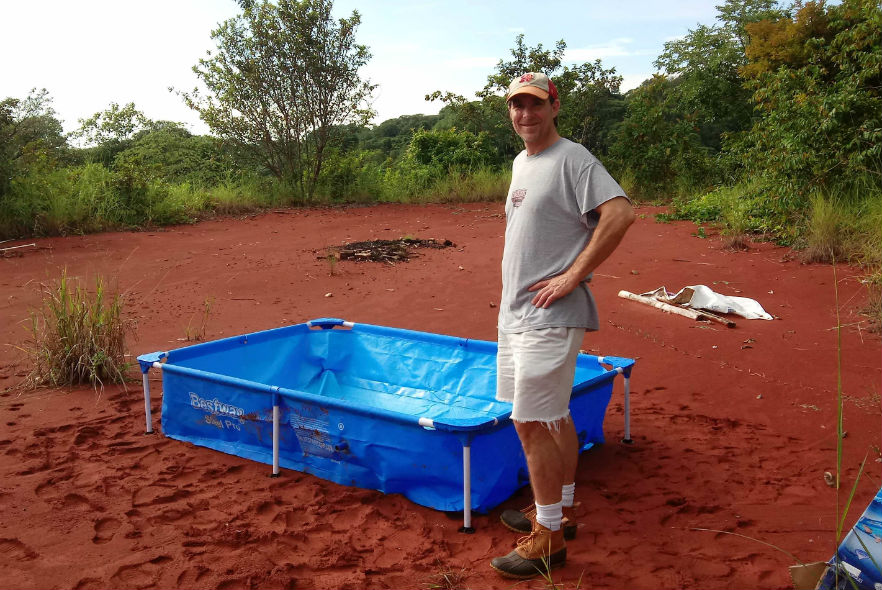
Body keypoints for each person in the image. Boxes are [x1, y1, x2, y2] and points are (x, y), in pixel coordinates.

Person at [490, 72, 635, 579]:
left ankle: (548, 537)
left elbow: (619, 213)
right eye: (516, 106)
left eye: (534, 104)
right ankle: (559, 511)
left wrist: (575, 274)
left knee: (529, 422)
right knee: (550, 417)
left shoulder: (573, 158)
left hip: (550, 317)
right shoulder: (522, 162)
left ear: (554, 106)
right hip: (516, 315)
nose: (524, 114)